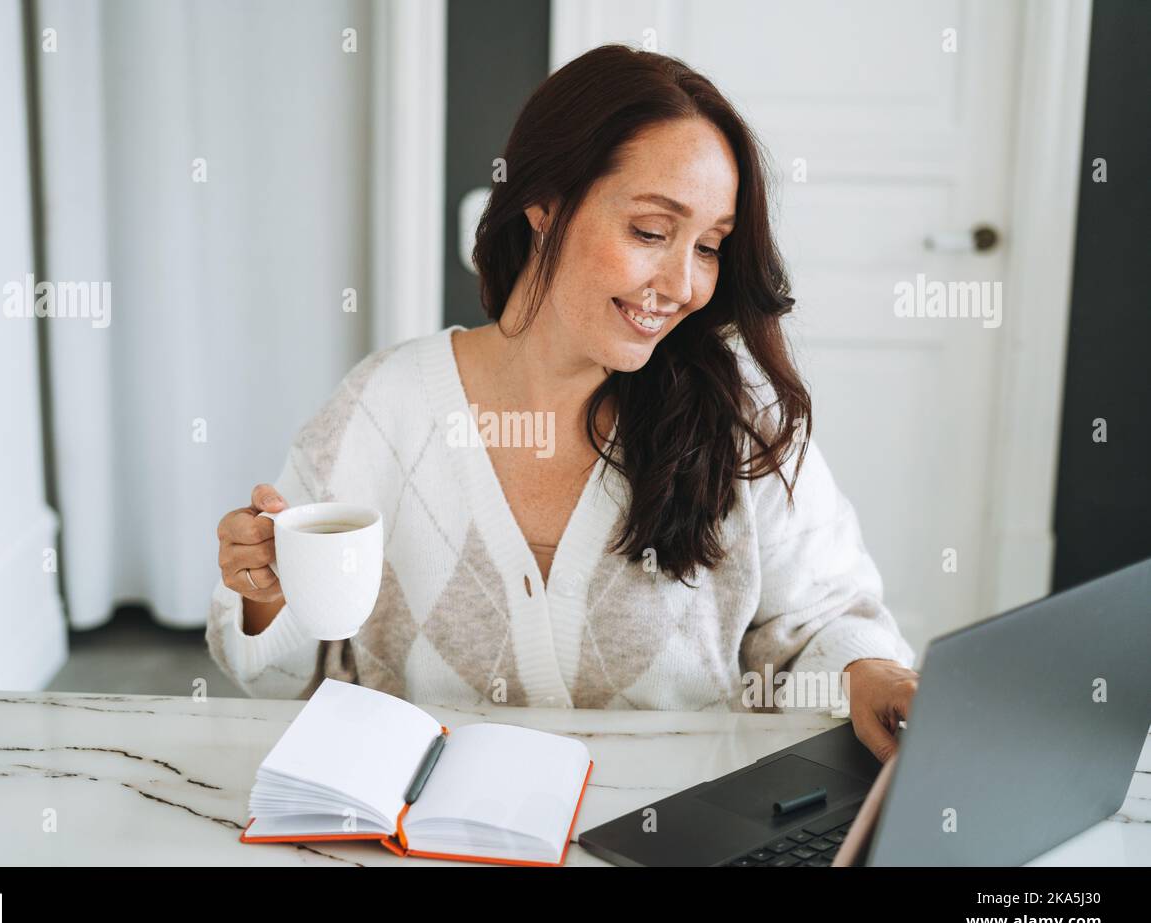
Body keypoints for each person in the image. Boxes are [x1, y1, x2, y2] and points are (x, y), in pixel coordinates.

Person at [207, 44, 918, 764]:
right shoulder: (384, 409)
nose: (681, 284)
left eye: (709, 247)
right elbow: (288, 688)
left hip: (678, 833)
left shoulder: (739, 419)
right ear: (544, 202)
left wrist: (872, 671)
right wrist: (268, 593)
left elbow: (826, 621)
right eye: (650, 231)